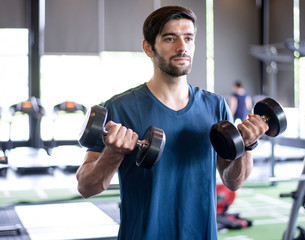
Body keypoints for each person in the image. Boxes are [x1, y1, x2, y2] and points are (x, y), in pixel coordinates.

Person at [76, 6, 268, 240]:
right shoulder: (119, 107)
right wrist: (113, 153)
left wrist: (247, 147)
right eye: (170, 38)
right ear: (148, 47)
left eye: (189, 38)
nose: (182, 47)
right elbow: (86, 187)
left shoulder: (216, 106)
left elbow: (233, 181)